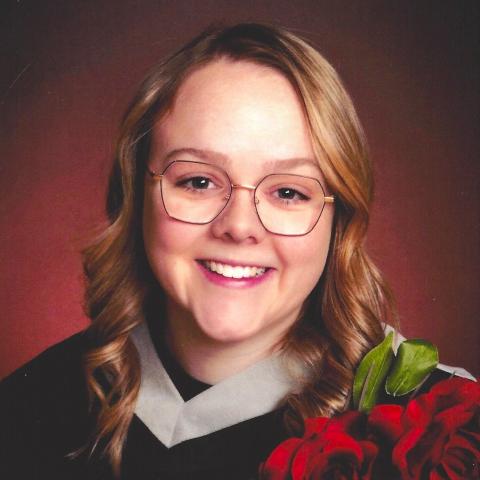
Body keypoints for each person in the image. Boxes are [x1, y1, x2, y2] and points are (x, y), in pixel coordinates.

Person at [0, 23, 473, 480]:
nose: (239, 226)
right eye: (198, 181)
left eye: (289, 192)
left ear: (339, 219)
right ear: (135, 194)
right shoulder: (27, 411)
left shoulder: (448, 429)